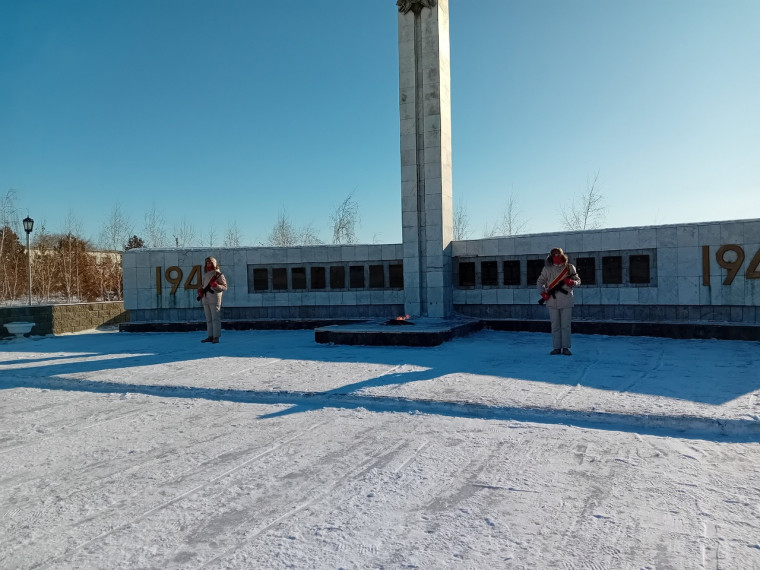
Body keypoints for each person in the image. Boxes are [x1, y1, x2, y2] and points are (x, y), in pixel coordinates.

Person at [536, 247, 580, 355]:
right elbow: (540, 282)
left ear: (563, 254)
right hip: (552, 300)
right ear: (551, 256)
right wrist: (543, 293)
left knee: (566, 326)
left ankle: (565, 347)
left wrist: (572, 282)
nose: (557, 256)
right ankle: (556, 347)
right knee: (555, 325)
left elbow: (578, 281)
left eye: (558, 254)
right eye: (554, 254)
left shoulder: (569, 268)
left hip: (566, 299)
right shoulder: (547, 269)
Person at [198, 256, 228, 344]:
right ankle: (210, 336)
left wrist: (216, 286)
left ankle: (216, 337)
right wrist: (200, 290)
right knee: (209, 319)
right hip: (206, 298)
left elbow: (224, 287)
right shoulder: (205, 274)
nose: (208, 264)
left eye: (210, 262)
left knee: (215, 319)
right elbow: (202, 285)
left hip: (215, 299)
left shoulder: (218, 274)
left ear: (214, 263)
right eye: (207, 263)